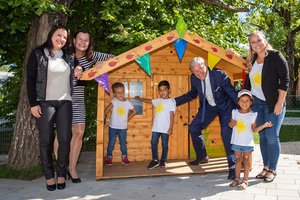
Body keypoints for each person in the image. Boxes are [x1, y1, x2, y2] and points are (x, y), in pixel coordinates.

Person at [27, 25, 81, 191]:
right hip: (45, 102)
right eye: (59, 35)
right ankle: (49, 176)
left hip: (65, 102)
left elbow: (79, 66)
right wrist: (33, 104)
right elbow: (30, 79)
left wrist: (79, 67)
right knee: (46, 140)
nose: (61, 39)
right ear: (51, 35)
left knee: (65, 139)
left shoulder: (69, 57)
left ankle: (62, 173)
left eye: (64, 37)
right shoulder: (38, 53)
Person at [175, 57, 238, 180]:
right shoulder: (194, 78)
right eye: (195, 71)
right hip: (209, 107)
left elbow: (231, 92)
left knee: (226, 134)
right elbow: (193, 94)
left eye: (200, 69)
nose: (199, 73)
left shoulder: (218, 74)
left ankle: (232, 167)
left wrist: (241, 109)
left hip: (225, 107)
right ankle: (202, 156)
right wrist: (174, 101)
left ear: (206, 65)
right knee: (193, 128)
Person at [67, 29, 114, 183]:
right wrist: (77, 66)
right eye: (80, 39)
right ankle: (62, 167)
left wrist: (103, 63)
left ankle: (72, 168)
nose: (82, 43)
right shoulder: (65, 54)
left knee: (79, 131)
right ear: (74, 40)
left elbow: (115, 58)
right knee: (62, 135)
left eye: (86, 40)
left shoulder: (92, 55)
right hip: (62, 98)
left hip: (78, 98)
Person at [244, 30, 289, 182]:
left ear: (265, 40)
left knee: (271, 136)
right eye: (253, 42)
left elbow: (285, 80)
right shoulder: (252, 60)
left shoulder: (275, 56)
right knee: (262, 136)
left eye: (259, 40)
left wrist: (279, 103)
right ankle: (265, 166)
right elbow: (249, 83)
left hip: (273, 104)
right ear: (250, 45)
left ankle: (273, 169)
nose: (256, 44)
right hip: (257, 104)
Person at [228, 89, 273, 190]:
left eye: (247, 101)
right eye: (242, 101)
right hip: (236, 142)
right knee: (238, 160)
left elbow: (254, 130)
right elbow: (230, 125)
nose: (244, 103)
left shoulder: (253, 115)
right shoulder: (234, 112)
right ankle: (237, 179)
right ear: (238, 102)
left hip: (247, 143)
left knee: (246, 161)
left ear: (251, 102)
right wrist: (232, 124)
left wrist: (264, 126)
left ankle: (245, 181)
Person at [135, 80, 176, 169]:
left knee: (164, 145)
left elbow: (172, 116)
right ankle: (155, 160)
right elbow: (150, 101)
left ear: (169, 90)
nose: (162, 92)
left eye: (164, 90)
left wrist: (170, 128)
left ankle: (163, 160)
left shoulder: (171, 101)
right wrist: (140, 99)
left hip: (165, 128)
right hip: (156, 128)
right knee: (153, 143)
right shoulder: (158, 101)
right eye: (160, 90)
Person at [104, 82, 137, 165]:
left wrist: (127, 119)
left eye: (122, 92)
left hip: (123, 128)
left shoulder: (128, 103)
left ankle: (124, 157)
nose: (120, 94)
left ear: (124, 91)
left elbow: (134, 111)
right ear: (114, 94)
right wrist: (111, 104)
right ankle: (108, 157)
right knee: (111, 143)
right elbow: (105, 111)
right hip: (113, 127)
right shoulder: (114, 101)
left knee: (123, 143)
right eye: (118, 93)